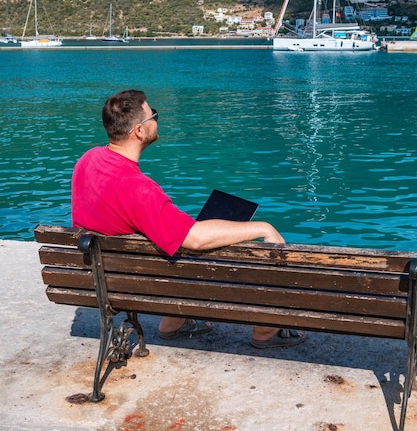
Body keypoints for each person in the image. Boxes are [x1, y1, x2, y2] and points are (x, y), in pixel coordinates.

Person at [72, 89, 306, 348]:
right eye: (154, 116)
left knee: (177, 243)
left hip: (103, 276)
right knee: (227, 250)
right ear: (139, 131)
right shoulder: (139, 189)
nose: (156, 120)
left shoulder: (87, 160)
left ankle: (174, 322)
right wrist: (263, 227)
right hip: (134, 285)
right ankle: (265, 331)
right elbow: (194, 239)